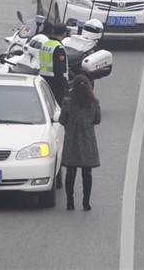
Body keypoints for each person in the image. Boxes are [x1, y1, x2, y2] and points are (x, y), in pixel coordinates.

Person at [59, 75, 101, 211]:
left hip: (72, 141)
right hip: (87, 141)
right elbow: (97, 120)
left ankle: (70, 202)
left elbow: (62, 120)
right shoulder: (94, 102)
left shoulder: (67, 102)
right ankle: (86, 202)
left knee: (70, 172)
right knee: (87, 172)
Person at [39, 22, 69, 106]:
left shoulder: (44, 44)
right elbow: (59, 69)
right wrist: (63, 86)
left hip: (43, 80)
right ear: (64, 34)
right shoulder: (58, 48)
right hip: (56, 84)